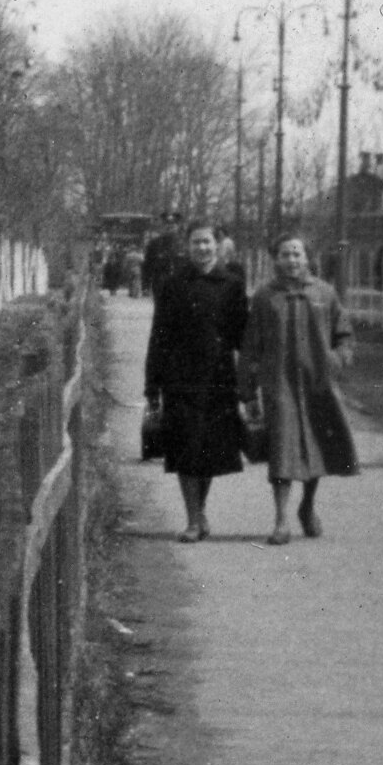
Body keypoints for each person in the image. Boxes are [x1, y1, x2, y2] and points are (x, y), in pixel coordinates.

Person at [243, 233, 358, 544]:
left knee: (315, 447)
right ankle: (281, 520)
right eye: (284, 254)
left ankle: (307, 506)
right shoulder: (266, 297)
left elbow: (344, 335)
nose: (291, 260)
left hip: (317, 385)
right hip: (279, 386)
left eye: (297, 254)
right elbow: (251, 346)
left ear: (308, 258)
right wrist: (248, 391)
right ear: (275, 259)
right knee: (281, 450)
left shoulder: (325, 293)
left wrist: (337, 359)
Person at [143, 222, 249, 542]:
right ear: (187, 248)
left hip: (218, 378)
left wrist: (250, 378)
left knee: (210, 450)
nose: (202, 249)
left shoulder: (232, 284)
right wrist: (153, 386)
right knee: (186, 447)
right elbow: (158, 337)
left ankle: (200, 511)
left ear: (217, 246)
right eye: (195, 243)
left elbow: (241, 336)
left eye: (207, 243)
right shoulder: (173, 284)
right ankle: (192, 519)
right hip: (181, 379)